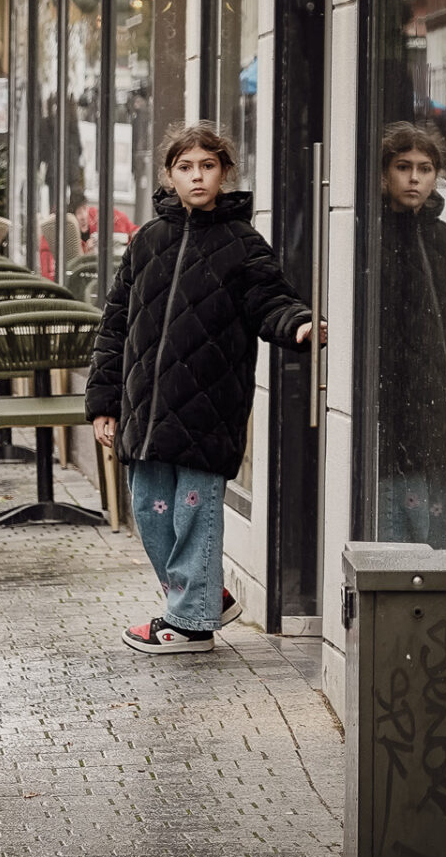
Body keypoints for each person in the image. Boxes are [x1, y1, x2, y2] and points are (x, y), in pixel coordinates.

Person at [88, 121, 319, 654]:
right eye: (186, 167)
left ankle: (190, 623)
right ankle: (203, 595)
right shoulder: (147, 241)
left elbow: (270, 300)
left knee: (195, 512)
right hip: (145, 411)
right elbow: (115, 323)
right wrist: (104, 402)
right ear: (169, 175)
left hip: (208, 411)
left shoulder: (243, 244)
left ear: (224, 173)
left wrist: (299, 324)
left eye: (208, 166)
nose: (197, 176)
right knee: (151, 513)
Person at [374, 122, 446, 548]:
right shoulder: (370, 235)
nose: (414, 178)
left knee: (439, 528)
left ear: (437, 176)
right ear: (384, 173)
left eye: (425, 169)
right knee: (399, 526)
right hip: (393, 405)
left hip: (444, 401)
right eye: (403, 167)